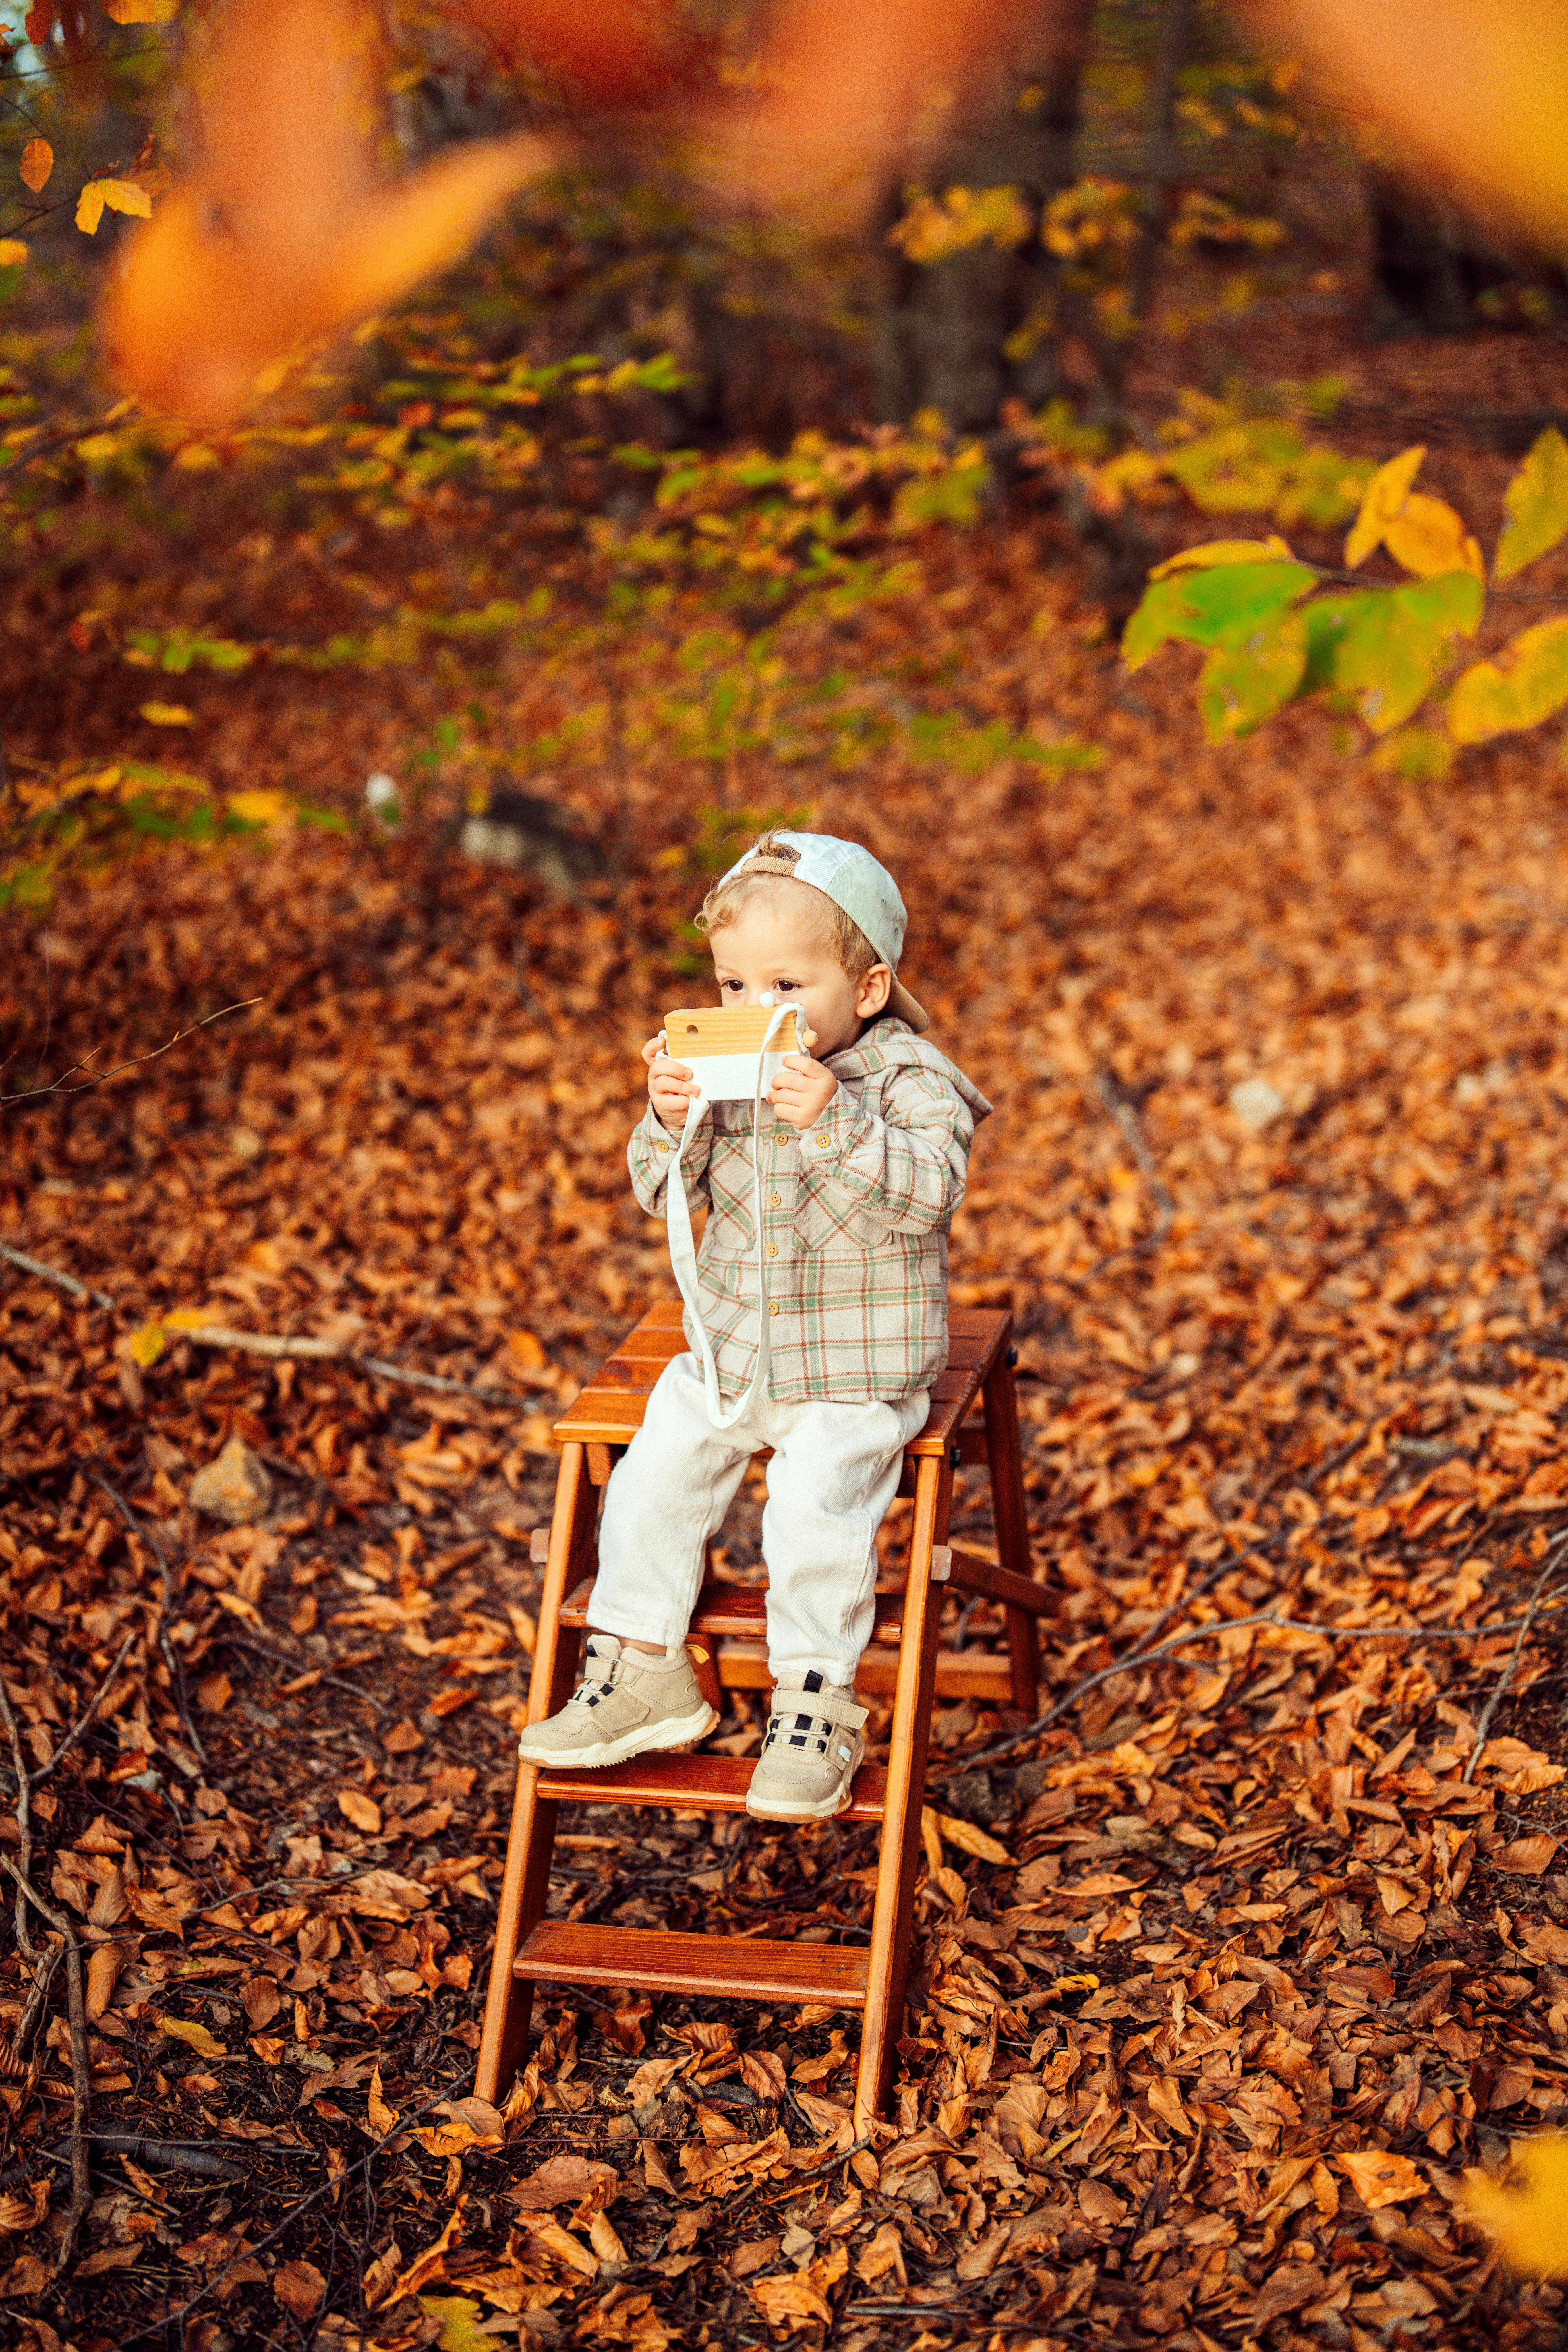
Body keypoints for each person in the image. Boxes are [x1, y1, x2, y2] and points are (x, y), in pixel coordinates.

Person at [516, 829, 991, 1819]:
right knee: (652, 1471)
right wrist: (666, 1113)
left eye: (784, 985)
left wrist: (833, 1121)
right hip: (736, 1349)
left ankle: (815, 1702)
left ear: (864, 991)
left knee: (815, 1505)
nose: (752, 1011)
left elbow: (930, 1192)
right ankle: (644, 1667)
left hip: (854, 1367)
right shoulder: (734, 1067)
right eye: (732, 986)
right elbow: (658, 1194)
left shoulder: (911, 1082)